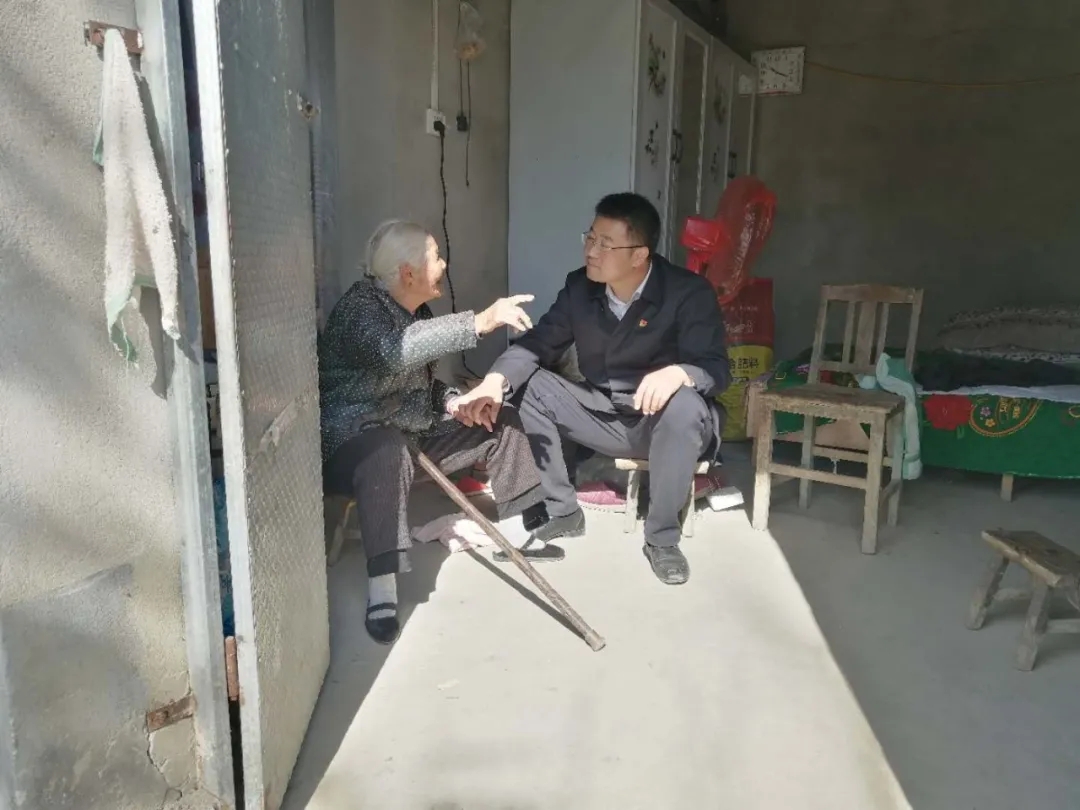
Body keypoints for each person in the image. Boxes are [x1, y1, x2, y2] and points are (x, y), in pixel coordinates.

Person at [451, 193, 730, 585]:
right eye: (590, 238)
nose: (591, 251)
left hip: (666, 426)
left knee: (684, 404)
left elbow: (716, 369)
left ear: (639, 255)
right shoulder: (580, 288)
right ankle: (563, 510)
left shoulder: (687, 293)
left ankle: (663, 538)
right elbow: (539, 343)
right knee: (526, 383)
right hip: (604, 415)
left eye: (605, 243)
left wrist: (679, 373)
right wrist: (494, 382)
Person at [319, 220, 563, 645]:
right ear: (408, 273)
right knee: (386, 450)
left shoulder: (417, 311)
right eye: (435, 256)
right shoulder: (359, 308)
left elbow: (419, 385)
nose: (444, 263)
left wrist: (455, 403)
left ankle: (519, 529)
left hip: (410, 436)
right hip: (356, 444)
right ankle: (383, 586)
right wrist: (480, 322)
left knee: (496, 417)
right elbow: (394, 355)